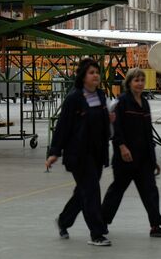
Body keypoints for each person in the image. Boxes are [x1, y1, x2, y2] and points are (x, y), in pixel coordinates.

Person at [45, 58, 112, 247]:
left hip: (97, 153)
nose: (95, 75)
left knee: (83, 192)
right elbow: (63, 127)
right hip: (78, 154)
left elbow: (102, 123)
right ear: (83, 76)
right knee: (91, 191)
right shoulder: (74, 98)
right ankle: (97, 233)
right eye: (91, 72)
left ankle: (64, 221)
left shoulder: (100, 95)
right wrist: (54, 152)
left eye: (97, 72)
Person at [102, 68, 161, 238]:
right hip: (125, 158)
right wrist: (122, 147)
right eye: (136, 80)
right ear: (129, 82)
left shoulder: (145, 103)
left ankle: (155, 226)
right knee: (116, 191)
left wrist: (153, 159)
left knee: (150, 191)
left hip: (143, 159)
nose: (140, 83)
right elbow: (116, 129)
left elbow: (148, 133)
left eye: (142, 80)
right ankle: (101, 223)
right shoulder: (122, 102)